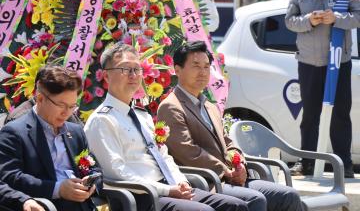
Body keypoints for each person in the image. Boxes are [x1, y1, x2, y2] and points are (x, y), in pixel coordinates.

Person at [84, 43, 250, 211]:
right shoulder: (102, 121)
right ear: (106, 76)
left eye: (137, 69)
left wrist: (181, 182)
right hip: (140, 197)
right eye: (125, 69)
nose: (133, 75)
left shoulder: (143, 115)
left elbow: (163, 156)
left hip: (168, 188)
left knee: (236, 206)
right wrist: (168, 190)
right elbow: (117, 173)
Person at [157, 41, 304, 211]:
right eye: (196, 66)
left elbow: (227, 143)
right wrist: (226, 170)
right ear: (177, 69)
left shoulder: (209, 106)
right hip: (205, 181)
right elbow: (188, 152)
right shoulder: (171, 106)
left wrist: (239, 163)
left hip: (228, 177)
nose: (203, 72)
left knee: (288, 195)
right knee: (254, 199)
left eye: (206, 66)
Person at [285, 0, 360, 178]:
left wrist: (337, 18)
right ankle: (306, 162)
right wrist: (310, 20)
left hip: (338, 61)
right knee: (309, 115)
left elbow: (358, 17)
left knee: (340, 115)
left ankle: (344, 163)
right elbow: (290, 21)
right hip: (309, 62)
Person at [0, 66, 101, 211]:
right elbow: (10, 177)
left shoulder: (75, 131)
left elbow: (95, 168)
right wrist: (58, 189)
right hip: (48, 205)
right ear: (40, 98)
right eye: (61, 105)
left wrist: (91, 184)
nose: (67, 113)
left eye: (72, 106)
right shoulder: (14, 132)